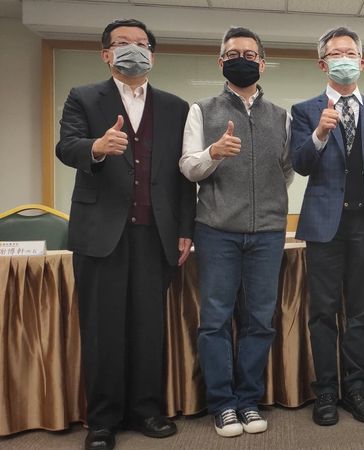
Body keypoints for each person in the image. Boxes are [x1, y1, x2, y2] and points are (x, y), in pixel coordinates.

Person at [56, 18, 194, 450]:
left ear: (152, 54)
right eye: (122, 43)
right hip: (100, 234)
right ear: (106, 54)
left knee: (149, 327)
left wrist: (185, 229)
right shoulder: (83, 97)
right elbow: (66, 146)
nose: (133, 49)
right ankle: (102, 421)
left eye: (141, 43)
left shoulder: (175, 106)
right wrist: (95, 148)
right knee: (103, 329)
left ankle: (147, 410)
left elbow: (183, 176)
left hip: (155, 234)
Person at [179, 26, 293, 437]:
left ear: (262, 62)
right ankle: (223, 404)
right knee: (215, 320)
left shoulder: (281, 115)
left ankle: (248, 400)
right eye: (232, 54)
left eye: (249, 54)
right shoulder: (202, 109)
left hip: (268, 231)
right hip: (217, 229)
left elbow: (286, 170)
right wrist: (213, 153)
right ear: (220, 62)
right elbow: (188, 167)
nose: (240, 59)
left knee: (260, 320)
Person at [290, 26, 364, 426]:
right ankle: (326, 391)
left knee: (362, 312)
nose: (343, 60)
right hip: (323, 224)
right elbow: (299, 164)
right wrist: (319, 133)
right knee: (323, 313)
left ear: (361, 62)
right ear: (322, 64)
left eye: (349, 53)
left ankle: (357, 389)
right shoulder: (304, 110)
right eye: (335, 54)